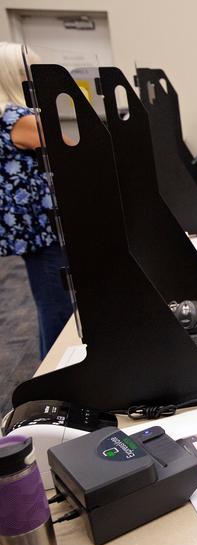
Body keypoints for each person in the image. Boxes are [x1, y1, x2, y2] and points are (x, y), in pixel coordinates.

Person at [0, 42, 72, 359]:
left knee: (50, 299)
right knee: (55, 305)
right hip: (42, 228)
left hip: (31, 228)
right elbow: (70, 146)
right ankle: (57, 377)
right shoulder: (18, 118)